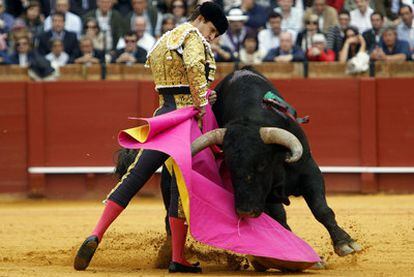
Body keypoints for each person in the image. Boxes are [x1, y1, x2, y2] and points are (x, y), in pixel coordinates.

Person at [73, 2, 228, 274]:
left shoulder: (166, 38)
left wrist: (198, 95)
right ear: (201, 18)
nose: (211, 38)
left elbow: (165, 81)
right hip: (185, 120)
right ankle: (177, 258)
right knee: (179, 188)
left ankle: (96, 233)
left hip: (163, 115)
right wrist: (203, 104)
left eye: (216, 35)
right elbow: (192, 68)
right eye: (212, 30)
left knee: (134, 175)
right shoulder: (192, 37)